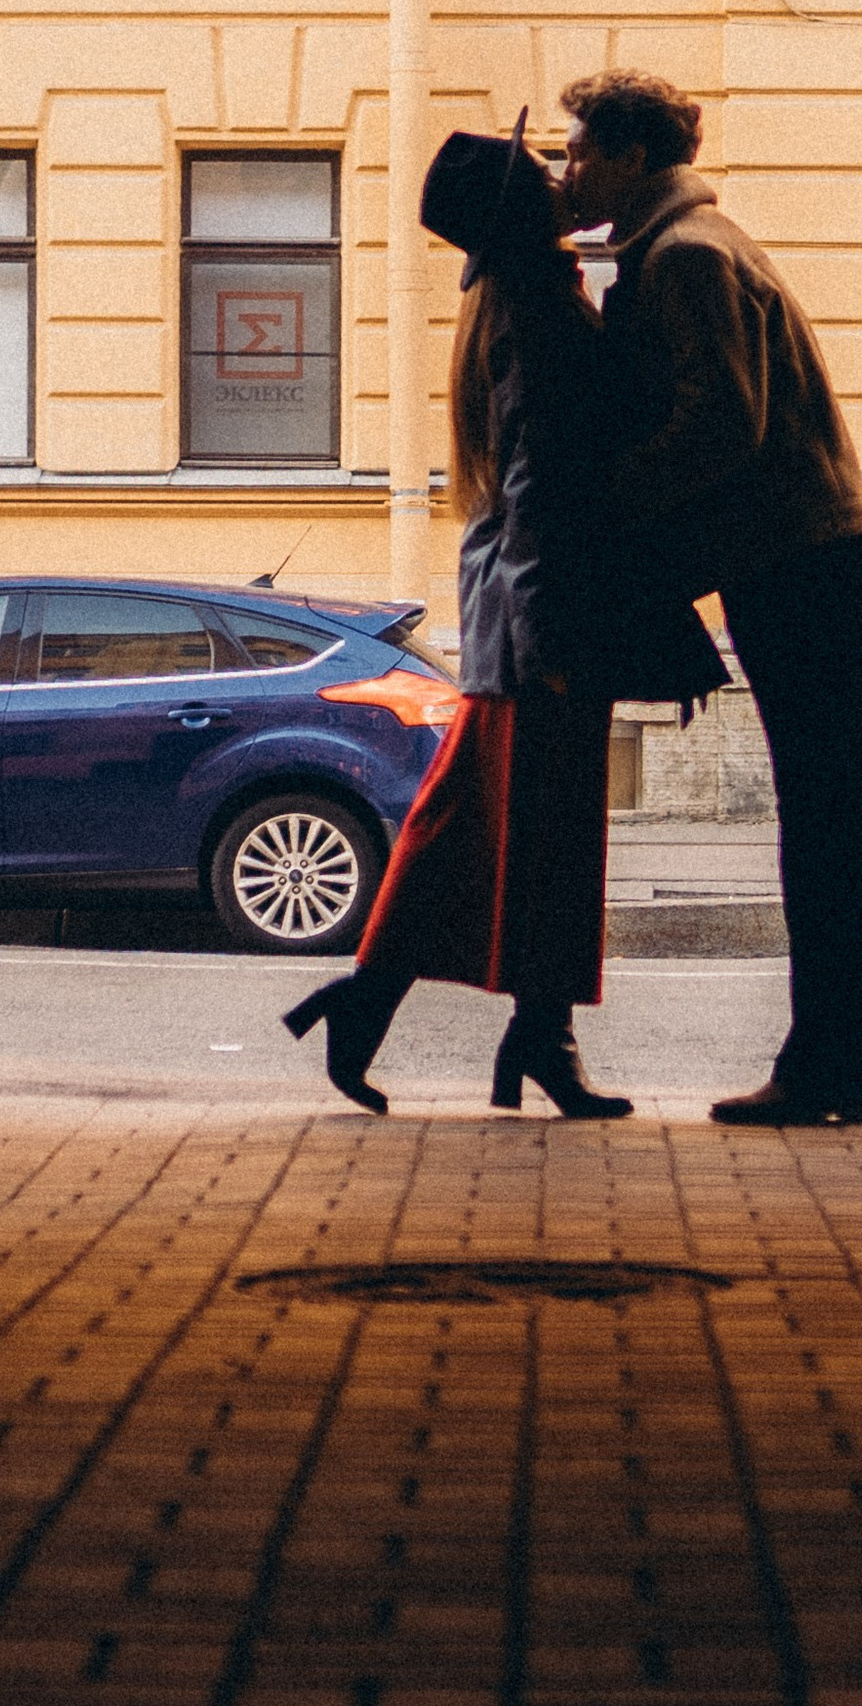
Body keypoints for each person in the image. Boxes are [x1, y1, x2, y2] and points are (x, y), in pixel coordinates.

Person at [283, 113, 723, 1117]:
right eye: (541, 171)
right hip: (545, 626)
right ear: (521, 211)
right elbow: (542, 493)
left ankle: (507, 1031)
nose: (558, 176)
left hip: (527, 620)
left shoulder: (518, 299)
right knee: (524, 841)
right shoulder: (543, 314)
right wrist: (547, 642)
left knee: (498, 836)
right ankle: (491, 1031)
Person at [559, 69, 862, 1125]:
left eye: (576, 153)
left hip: (796, 552)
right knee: (823, 809)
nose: (566, 171)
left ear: (627, 157)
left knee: (820, 814)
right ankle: (844, 1057)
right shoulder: (693, 243)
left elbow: (722, 427)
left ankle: (830, 1062)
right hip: (808, 548)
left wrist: (615, 516)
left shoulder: (688, 258)